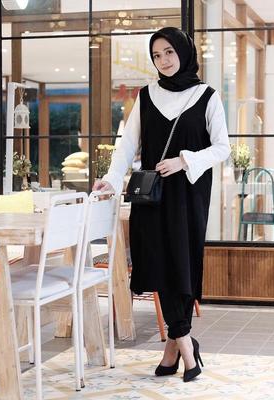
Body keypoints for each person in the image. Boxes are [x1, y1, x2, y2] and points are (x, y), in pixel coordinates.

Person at [93, 26, 230, 382]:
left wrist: (184, 161)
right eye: (156, 55)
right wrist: (111, 179)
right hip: (151, 196)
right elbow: (127, 145)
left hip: (189, 195)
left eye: (169, 52)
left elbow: (222, 148)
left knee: (182, 265)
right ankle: (185, 344)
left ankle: (176, 348)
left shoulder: (207, 96)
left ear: (183, 52)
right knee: (158, 262)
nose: (163, 60)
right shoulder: (146, 96)